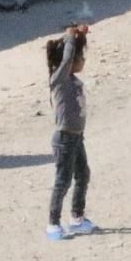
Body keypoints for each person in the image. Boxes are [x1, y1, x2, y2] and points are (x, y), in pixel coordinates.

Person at [46, 25, 99, 241]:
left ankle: (77, 218)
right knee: (63, 181)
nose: (83, 60)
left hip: (77, 137)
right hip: (64, 139)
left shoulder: (74, 81)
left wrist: (80, 37)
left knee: (83, 175)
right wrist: (69, 38)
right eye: (80, 56)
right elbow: (67, 60)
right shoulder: (59, 80)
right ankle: (53, 223)